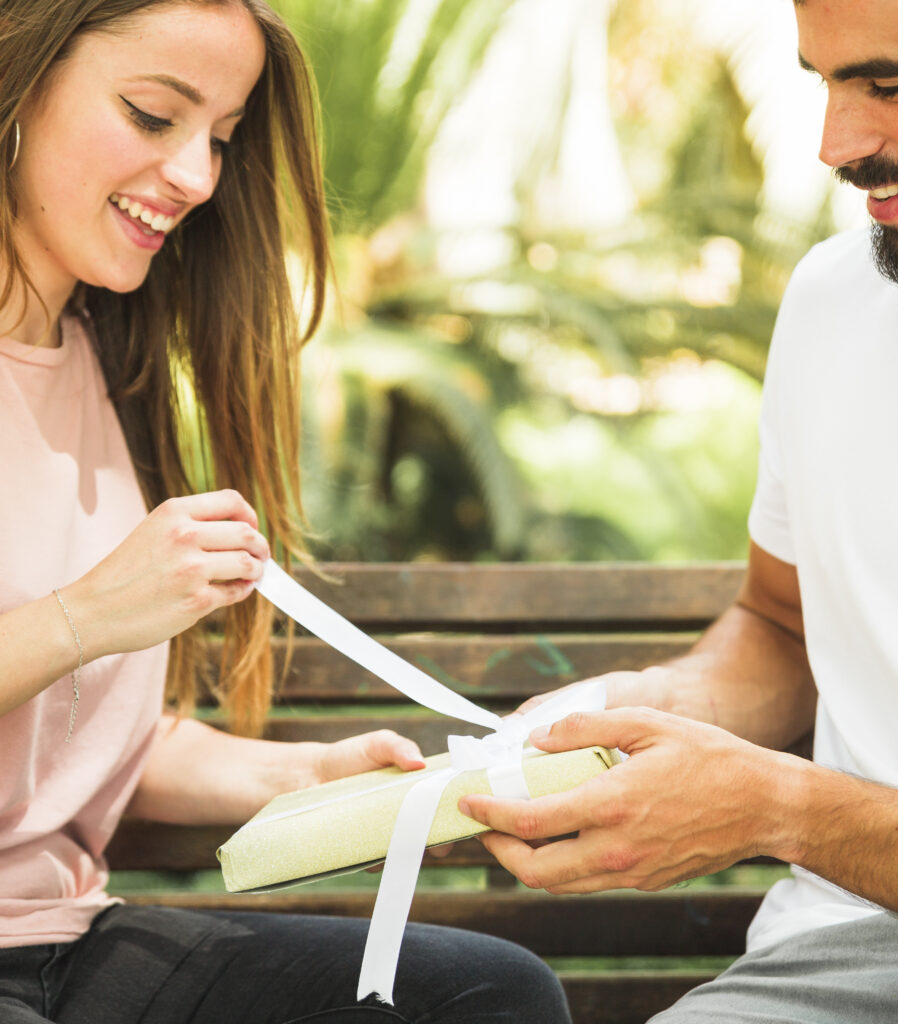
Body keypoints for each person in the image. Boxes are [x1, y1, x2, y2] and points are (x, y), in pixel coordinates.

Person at [0, 2, 571, 1022]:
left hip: (63, 943)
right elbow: (66, 638)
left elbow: (69, 736)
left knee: (489, 994)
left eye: (218, 138)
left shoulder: (96, 348)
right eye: (150, 115)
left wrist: (307, 773)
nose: (196, 177)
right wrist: (83, 616)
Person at [458, 0, 898, 1020]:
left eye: (888, 85)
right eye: (823, 79)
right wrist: (662, 712)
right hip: (856, 952)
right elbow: (782, 625)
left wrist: (778, 808)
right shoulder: (834, 301)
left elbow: (791, 807)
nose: (835, 144)